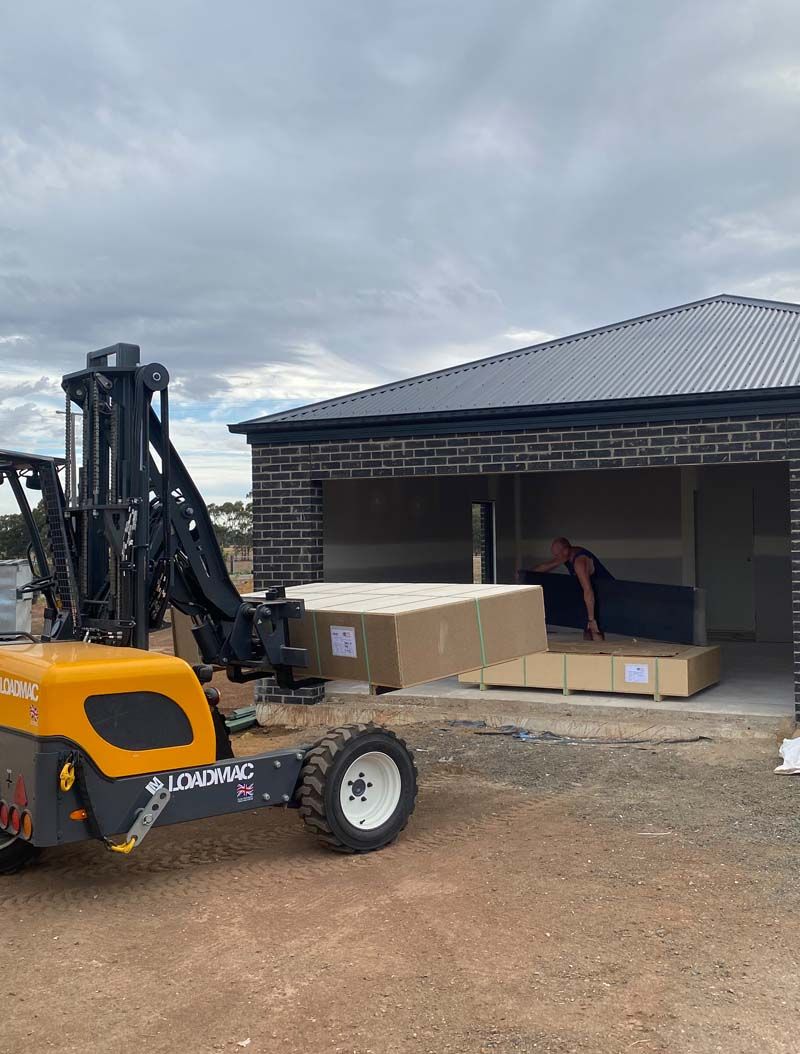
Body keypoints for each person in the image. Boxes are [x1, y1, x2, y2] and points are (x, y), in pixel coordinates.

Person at [534, 537, 614, 641]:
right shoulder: (568, 555)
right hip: (593, 595)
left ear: (566, 550)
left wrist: (591, 620)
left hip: (606, 594)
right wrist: (525, 574)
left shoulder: (579, 562)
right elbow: (547, 565)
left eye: (557, 555)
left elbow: (588, 591)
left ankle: (601, 653)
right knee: (587, 629)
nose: (556, 558)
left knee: (594, 628)